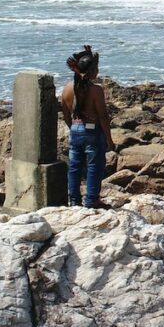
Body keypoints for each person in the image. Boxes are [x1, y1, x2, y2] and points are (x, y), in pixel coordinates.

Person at [59, 45, 115, 209]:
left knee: (75, 167)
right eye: (97, 68)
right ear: (91, 72)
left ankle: (74, 201)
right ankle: (91, 201)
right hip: (92, 131)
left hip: (75, 130)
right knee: (94, 167)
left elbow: (66, 114)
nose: (98, 71)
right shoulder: (95, 90)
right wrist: (109, 140)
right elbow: (103, 116)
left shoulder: (68, 88)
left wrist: (74, 128)